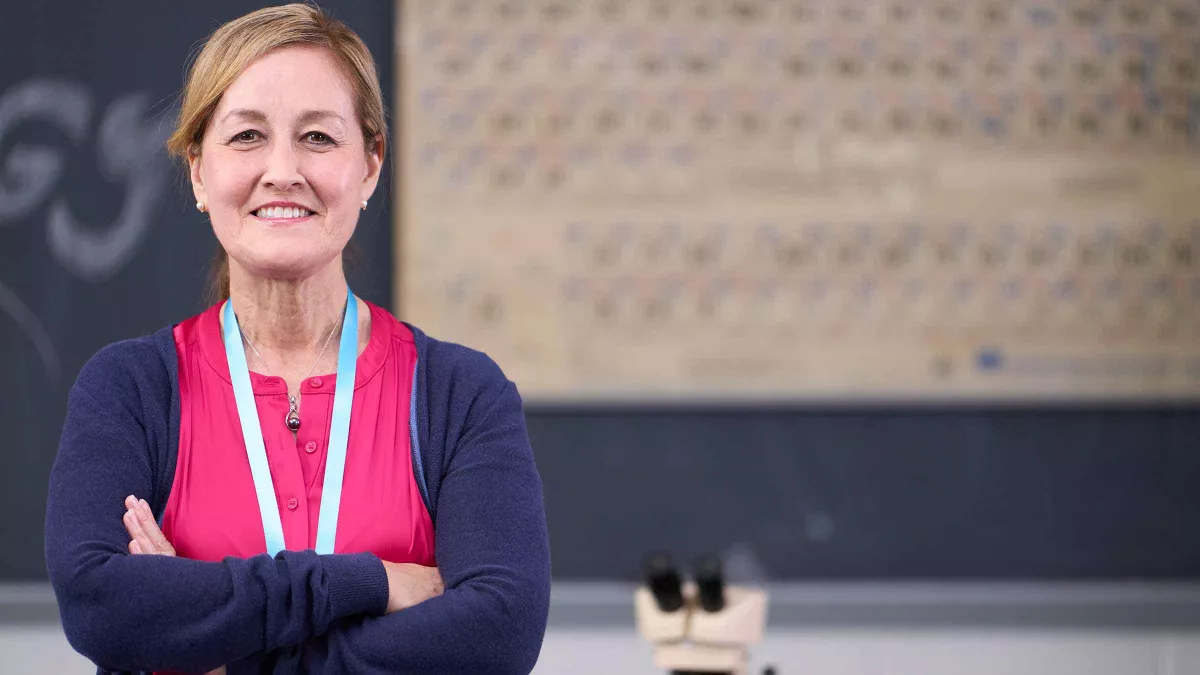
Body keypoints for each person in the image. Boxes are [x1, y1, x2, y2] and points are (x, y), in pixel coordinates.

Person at [43, 4, 551, 674]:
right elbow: (100, 606)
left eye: (317, 137)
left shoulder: (460, 394)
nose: (282, 170)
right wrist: (372, 584)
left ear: (370, 165)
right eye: (247, 136)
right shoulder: (130, 389)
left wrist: (219, 646)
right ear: (198, 170)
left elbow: (499, 633)